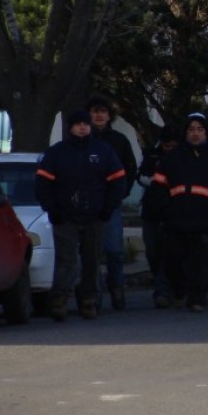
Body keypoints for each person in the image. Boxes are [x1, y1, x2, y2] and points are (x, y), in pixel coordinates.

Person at [35, 110, 128, 321]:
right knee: (66, 261)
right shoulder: (57, 153)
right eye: (77, 124)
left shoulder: (103, 151)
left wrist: (108, 209)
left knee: (92, 261)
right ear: (70, 127)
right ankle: (59, 302)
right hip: (65, 217)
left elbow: (118, 181)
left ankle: (89, 302)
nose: (82, 127)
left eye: (85, 124)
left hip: (95, 216)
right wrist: (53, 209)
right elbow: (42, 184)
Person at [146, 114, 208, 313]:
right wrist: (164, 210)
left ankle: (197, 298)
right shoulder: (173, 157)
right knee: (173, 260)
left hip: (205, 219)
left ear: (206, 132)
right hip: (176, 219)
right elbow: (159, 187)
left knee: (202, 262)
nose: (195, 134)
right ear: (186, 133)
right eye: (191, 129)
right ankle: (180, 291)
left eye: (199, 129)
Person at [86, 94, 139, 311]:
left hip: (112, 204)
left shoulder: (119, 140)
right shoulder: (82, 141)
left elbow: (130, 169)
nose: (99, 115)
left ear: (109, 115)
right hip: (87, 205)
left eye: (103, 111)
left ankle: (117, 288)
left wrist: (120, 194)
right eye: (95, 111)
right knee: (91, 252)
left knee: (114, 250)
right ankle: (94, 293)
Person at [139, 124, 181, 308]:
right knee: (153, 251)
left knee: (169, 252)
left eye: (173, 146)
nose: (170, 149)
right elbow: (141, 176)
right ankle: (163, 284)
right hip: (152, 212)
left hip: (174, 212)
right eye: (167, 146)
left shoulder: (184, 157)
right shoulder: (152, 156)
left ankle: (164, 290)